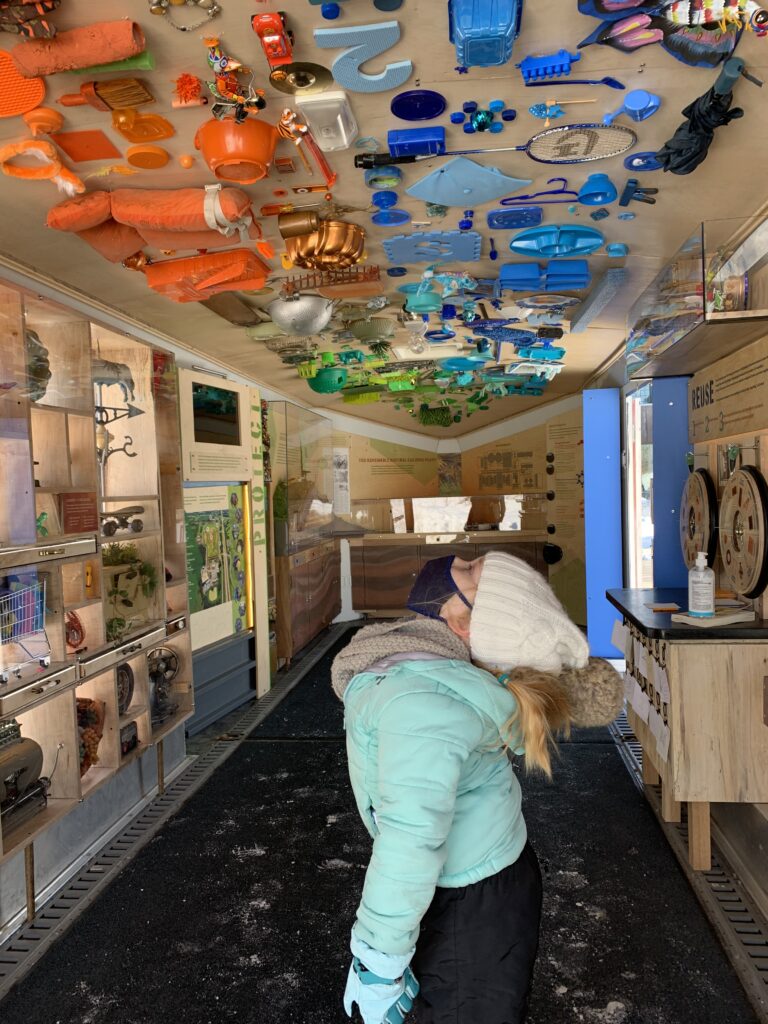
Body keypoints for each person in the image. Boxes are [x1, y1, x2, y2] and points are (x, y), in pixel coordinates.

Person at [331, 551, 623, 1024]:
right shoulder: (432, 670)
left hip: (470, 907)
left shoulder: (423, 702)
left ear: (465, 624)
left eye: (468, 572)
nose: (456, 561)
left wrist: (378, 962)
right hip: (485, 883)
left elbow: (411, 837)